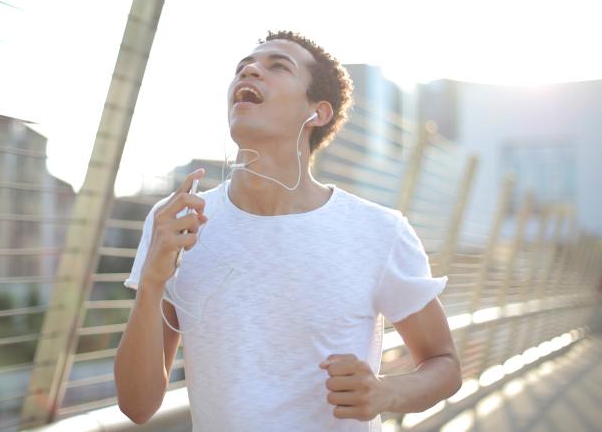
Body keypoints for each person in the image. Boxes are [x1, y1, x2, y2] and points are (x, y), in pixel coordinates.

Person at [114, 31, 461, 431]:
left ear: (318, 113)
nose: (249, 70)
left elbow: (445, 364)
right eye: (244, 65)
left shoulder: (378, 231)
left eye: (278, 66)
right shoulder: (176, 221)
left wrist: (386, 392)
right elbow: (137, 406)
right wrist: (152, 282)